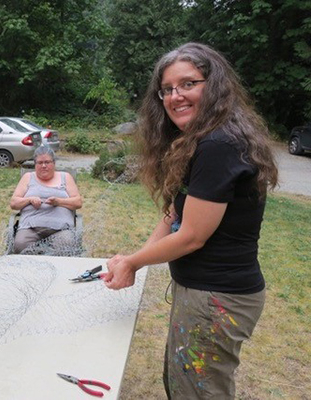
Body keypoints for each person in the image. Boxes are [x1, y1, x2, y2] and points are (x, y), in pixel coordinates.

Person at [103, 43, 278, 399]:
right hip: (204, 293)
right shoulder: (198, 141)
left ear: (213, 85)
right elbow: (175, 216)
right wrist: (134, 259)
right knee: (182, 383)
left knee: (197, 392)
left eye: (188, 84)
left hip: (217, 298)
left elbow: (193, 236)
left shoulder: (219, 144)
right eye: (167, 89)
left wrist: (134, 262)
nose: (174, 96)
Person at [10, 146, 82, 254]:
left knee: (66, 246)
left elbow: (78, 202)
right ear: (35, 164)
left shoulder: (65, 177)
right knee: (20, 244)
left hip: (61, 229)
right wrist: (29, 200)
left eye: (47, 162)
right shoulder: (28, 177)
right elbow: (13, 203)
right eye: (40, 163)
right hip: (30, 228)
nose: (43, 166)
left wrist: (59, 202)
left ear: (54, 163)